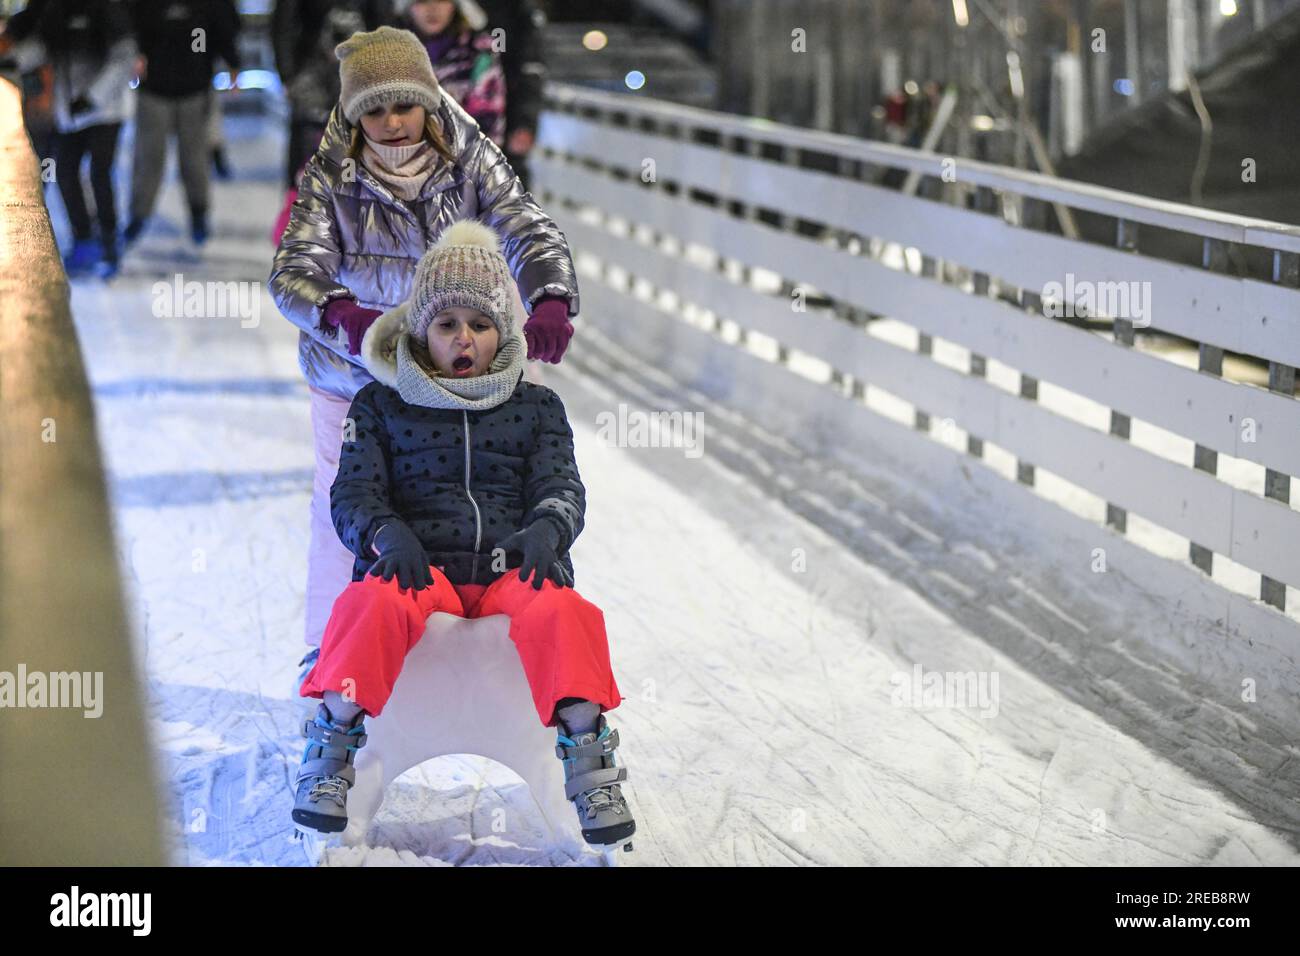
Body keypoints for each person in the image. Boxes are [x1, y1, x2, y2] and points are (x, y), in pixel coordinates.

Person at [291, 221, 634, 849]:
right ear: (422, 330)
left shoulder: (536, 407)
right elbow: (353, 493)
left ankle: (589, 760)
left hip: (513, 571)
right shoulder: (380, 404)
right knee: (366, 603)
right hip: (421, 569)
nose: (464, 339)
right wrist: (385, 534)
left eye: (478, 323)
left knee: (566, 611)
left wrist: (548, 529)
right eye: (447, 324)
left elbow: (562, 485)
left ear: (501, 329)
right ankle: (332, 750)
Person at [268, 25, 578, 675]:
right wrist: (338, 312)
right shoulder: (331, 172)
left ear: (430, 101)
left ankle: (488, 652)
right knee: (343, 507)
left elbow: (523, 224)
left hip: (455, 369)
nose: (390, 122)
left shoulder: (472, 158)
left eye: (403, 105)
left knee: (460, 501)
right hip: (353, 373)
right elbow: (293, 266)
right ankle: (329, 653)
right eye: (373, 110)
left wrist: (548, 294)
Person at [14, 0, 136, 278]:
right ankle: (83, 237)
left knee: (100, 173)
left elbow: (123, 56)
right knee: (66, 172)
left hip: (107, 111)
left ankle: (108, 240)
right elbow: (43, 46)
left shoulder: (108, 10)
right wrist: (14, 59)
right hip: (70, 111)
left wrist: (92, 98)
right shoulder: (57, 10)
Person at [124, 0, 241, 247]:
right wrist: (135, 54)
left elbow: (221, 25)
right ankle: (138, 216)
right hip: (154, 87)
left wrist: (232, 63)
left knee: (194, 158)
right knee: (149, 157)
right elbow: (131, 22)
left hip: (195, 87)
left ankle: (198, 213)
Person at [396, 0, 506, 147]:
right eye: (422, 1)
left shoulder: (479, 54)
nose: (433, 8)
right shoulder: (387, 53)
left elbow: (488, 122)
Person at [475, 0, 546, 190]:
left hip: (504, 125)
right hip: (454, 130)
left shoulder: (518, 13)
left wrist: (525, 122)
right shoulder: (454, 10)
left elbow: (530, 72)